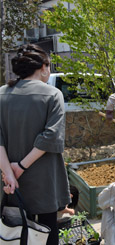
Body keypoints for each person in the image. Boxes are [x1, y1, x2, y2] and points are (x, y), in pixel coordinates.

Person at [0, 44, 71, 245]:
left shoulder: (1, 94)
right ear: (43, 67)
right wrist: (20, 167)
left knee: (13, 233)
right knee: (46, 234)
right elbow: (50, 137)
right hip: (43, 183)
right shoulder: (52, 94)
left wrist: (9, 174)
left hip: (10, 185)